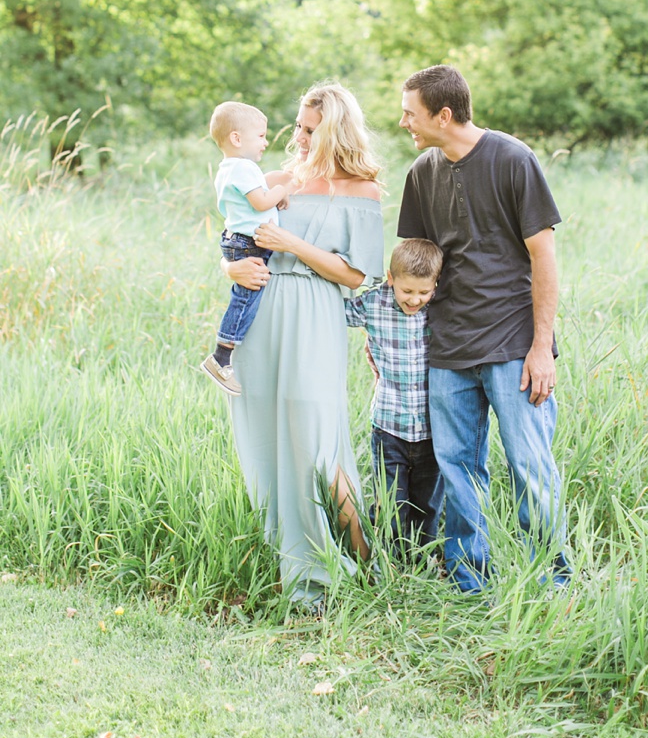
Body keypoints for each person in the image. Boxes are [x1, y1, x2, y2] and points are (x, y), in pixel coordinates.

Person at [397, 65, 571, 593]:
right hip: (447, 346)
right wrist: (390, 335)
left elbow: (544, 256)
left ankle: (554, 585)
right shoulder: (421, 173)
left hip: (513, 346)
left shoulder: (513, 158)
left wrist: (541, 347)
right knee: (456, 470)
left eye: (410, 113)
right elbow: (412, 265)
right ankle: (468, 582)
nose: (403, 121)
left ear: (442, 115)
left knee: (530, 467)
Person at [223, 83, 383, 608]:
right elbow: (235, 238)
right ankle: (287, 554)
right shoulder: (271, 181)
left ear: (335, 131)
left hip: (315, 312)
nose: (298, 136)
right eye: (297, 125)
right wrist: (229, 265)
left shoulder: (362, 191)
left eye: (310, 129)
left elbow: (357, 274)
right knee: (271, 436)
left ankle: (364, 560)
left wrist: (292, 242)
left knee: (317, 439)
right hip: (261, 313)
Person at [345, 238, 445, 551]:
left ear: (436, 285)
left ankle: (422, 558)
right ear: (391, 279)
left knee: (427, 503)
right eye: (407, 291)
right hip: (389, 426)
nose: (415, 300)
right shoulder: (373, 303)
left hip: (432, 430)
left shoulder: (441, 308)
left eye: (423, 292)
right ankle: (390, 562)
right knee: (390, 503)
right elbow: (335, 311)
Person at [201, 101, 295, 396]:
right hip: (247, 244)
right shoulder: (242, 168)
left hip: (239, 240)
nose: (266, 142)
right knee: (244, 299)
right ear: (237, 139)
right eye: (261, 136)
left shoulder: (231, 168)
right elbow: (260, 202)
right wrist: (281, 191)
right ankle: (221, 356)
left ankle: (224, 354)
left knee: (246, 297)